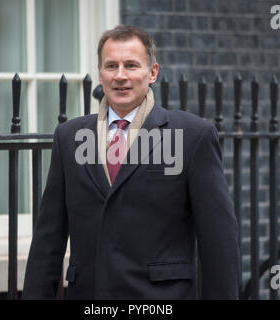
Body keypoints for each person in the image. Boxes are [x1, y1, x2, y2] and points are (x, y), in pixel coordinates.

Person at [22, 25, 240, 300]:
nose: (120, 76)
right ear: (100, 73)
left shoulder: (192, 136)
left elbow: (219, 244)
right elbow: (47, 241)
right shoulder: (69, 138)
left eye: (131, 65)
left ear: (152, 73)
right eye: (111, 66)